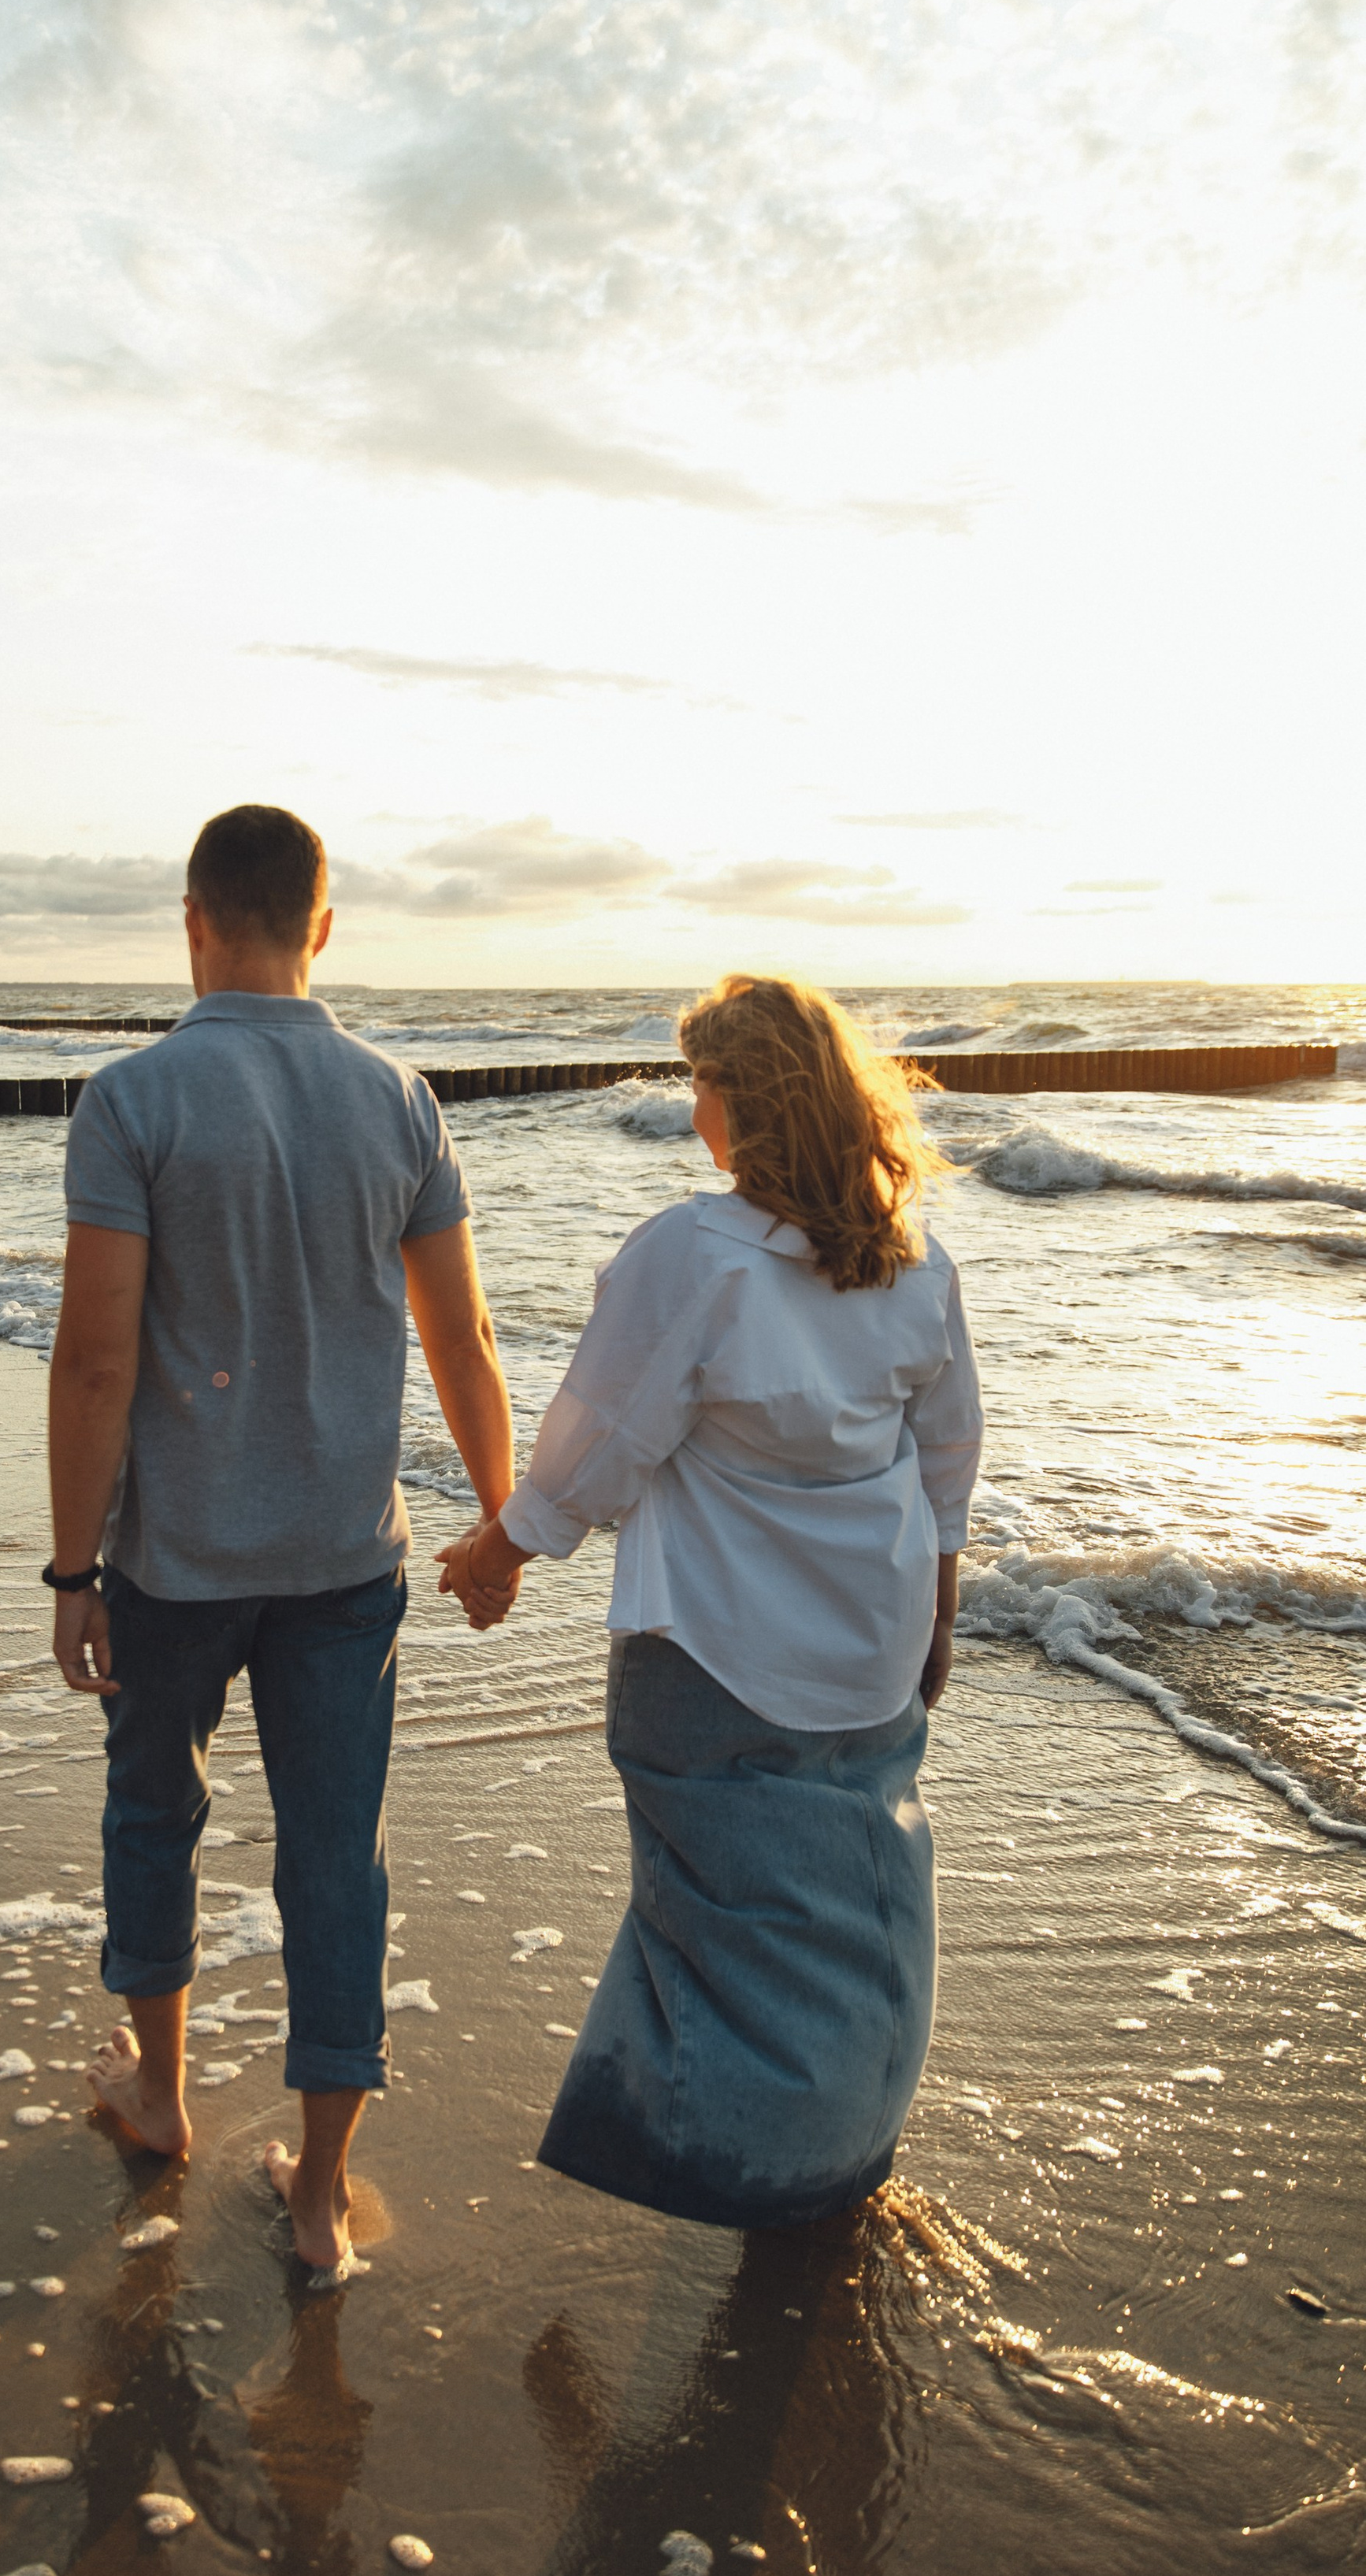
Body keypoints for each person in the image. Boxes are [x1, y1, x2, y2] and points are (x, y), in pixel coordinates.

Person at [47, 803, 518, 2272]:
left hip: (174, 1560)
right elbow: (464, 1333)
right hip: (342, 1563)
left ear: (191, 918)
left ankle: (165, 2094)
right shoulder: (401, 1100)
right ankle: (318, 2198)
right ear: (325, 922)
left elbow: (95, 1363)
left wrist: (74, 1568)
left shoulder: (132, 1099)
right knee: (334, 1859)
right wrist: (503, 1515)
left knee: (154, 1816)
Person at [439, 973, 982, 2227]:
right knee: (854, 1909)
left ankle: (751, 2162)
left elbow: (599, 1441)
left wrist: (502, 1549)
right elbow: (949, 1458)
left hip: (719, 1653)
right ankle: (847, 2142)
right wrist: (939, 1608)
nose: (694, 1109)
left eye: (703, 1085)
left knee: (725, 1925)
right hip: (873, 1644)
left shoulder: (697, 1253)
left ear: (749, 1104)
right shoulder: (912, 1260)